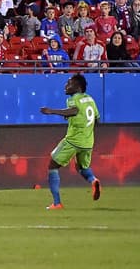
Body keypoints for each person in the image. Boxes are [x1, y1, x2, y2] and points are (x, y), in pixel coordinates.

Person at [39, 74, 101, 209]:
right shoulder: (90, 99)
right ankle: (93, 180)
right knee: (81, 167)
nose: (66, 86)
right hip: (88, 142)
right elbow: (97, 119)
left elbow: (73, 111)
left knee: (52, 166)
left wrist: (51, 111)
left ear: (78, 87)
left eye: (69, 83)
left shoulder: (74, 99)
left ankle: (57, 203)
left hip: (73, 140)